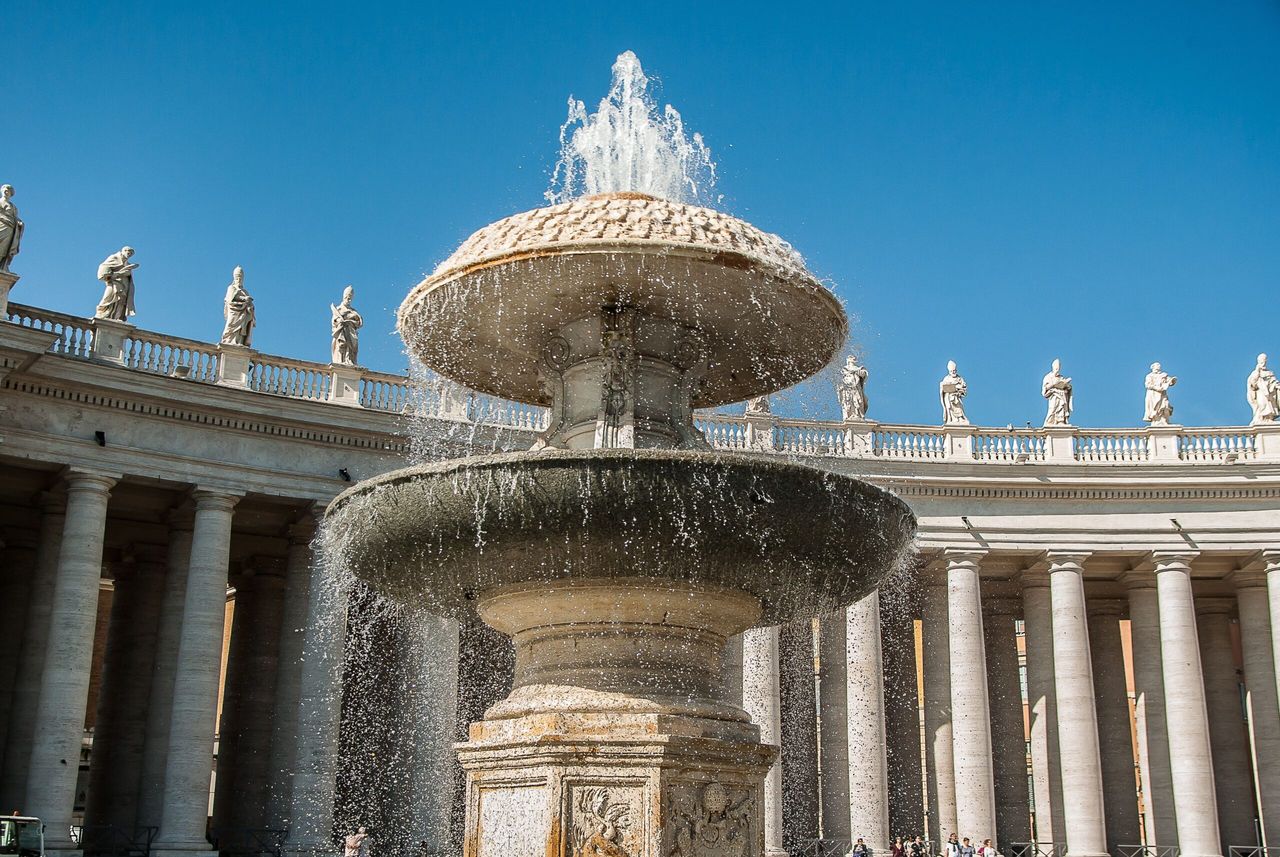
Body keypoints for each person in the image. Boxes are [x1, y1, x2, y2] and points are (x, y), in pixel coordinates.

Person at [95, 246, 138, 321]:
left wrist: (127, 273)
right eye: (128, 252)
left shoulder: (128, 264)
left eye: (131, 254)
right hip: (114, 282)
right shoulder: (114, 257)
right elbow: (104, 267)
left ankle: (117, 317)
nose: (129, 254)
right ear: (124, 251)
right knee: (108, 298)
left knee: (121, 300)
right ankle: (102, 314)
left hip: (124, 284)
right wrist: (116, 274)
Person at [219, 266, 255, 346]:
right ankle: (229, 340)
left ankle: (239, 341)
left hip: (243, 314)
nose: (239, 280)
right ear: (234, 278)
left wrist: (250, 306)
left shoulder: (245, 291)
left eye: (241, 278)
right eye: (237, 278)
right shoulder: (231, 288)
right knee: (230, 325)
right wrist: (244, 298)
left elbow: (249, 304)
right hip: (234, 311)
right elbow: (230, 298)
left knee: (243, 326)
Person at [331, 285, 364, 365]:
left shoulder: (353, 311)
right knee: (342, 346)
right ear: (343, 297)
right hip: (342, 331)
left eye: (350, 298)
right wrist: (340, 321)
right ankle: (342, 361)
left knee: (352, 347)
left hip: (351, 333)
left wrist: (351, 321)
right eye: (347, 297)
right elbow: (334, 322)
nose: (348, 299)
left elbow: (359, 322)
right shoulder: (338, 309)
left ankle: (349, 360)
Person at [1247, 353, 1280, 425]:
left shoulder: (1270, 372)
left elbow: (1274, 381)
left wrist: (1276, 385)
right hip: (1261, 392)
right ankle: (1262, 418)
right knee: (1262, 404)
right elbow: (1253, 384)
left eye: (1264, 360)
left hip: (1270, 393)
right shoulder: (1255, 373)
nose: (1263, 362)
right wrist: (1257, 372)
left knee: (1270, 405)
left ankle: (1269, 418)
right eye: (1262, 360)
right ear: (1258, 361)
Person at [1041, 358, 1073, 426]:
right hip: (1054, 395)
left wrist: (1068, 387)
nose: (1057, 369)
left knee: (1061, 408)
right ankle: (1050, 422)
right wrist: (1054, 384)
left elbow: (1066, 386)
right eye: (1056, 368)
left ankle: (1060, 421)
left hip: (1062, 394)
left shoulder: (1061, 377)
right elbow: (1045, 388)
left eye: (1058, 368)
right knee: (1052, 409)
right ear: (1053, 367)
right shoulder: (1048, 377)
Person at [838, 355, 869, 420]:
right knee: (848, 400)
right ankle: (851, 414)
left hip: (856, 387)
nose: (852, 359)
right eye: (850, 358)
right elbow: (840, 380)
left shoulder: (858, 368)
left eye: (853, 358)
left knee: (857, 400)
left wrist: (860, 372)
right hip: (847, 387)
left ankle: (857, 414)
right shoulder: (844, 369)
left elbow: (863, 374)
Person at [0, 184, 23, 273]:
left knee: (5, 248)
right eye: (5, 190)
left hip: (10, 229)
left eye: (9, 191)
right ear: (2, 191)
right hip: (1, 225)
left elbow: (15, 218)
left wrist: (19, 222)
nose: (7, 192)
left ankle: (3, 266)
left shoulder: (13, 207)